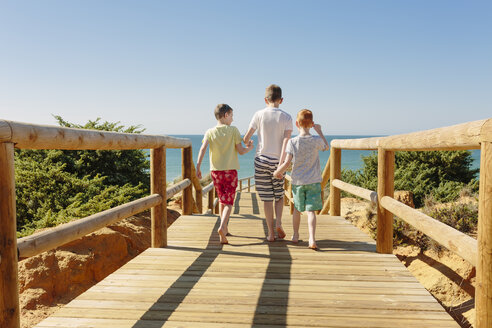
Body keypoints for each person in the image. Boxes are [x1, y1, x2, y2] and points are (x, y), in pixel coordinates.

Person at [196, 104, 254, 244]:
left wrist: (198, 166)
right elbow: (240, 151)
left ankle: (225, 228)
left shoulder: (209, 131)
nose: (233, 120)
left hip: (215, 171)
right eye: (232, 116)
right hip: (230, 171)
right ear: (226, 115)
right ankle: (222, 227)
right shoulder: (233, 130)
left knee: (222, 199)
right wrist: (249, 148)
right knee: (229, 202)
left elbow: (203, 148)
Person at [273, 109, 329, 250]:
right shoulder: (316, 140)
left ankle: (296, 235)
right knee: (311, 211)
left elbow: (287, 163)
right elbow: (326, 147)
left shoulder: (292, 142)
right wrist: (320, 131)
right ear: (312, 124)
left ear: (297, 124)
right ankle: (312, 238)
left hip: (298, 182)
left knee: (297, 209)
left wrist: (277, 172)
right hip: (314, 182)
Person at [243, 84, 293, 242]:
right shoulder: (286, 117)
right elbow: (286, 140)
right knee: (278, 196)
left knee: (266, 199)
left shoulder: (258, 114)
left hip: (261, 159)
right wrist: (281, 162)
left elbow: (246, 137)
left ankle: (271, 233)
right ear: (281, 100)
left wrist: (249, 143)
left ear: (266, 99)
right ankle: (279, 223)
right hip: (277, 162)